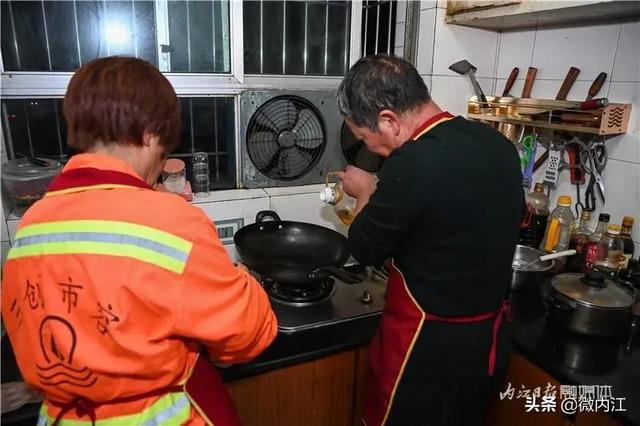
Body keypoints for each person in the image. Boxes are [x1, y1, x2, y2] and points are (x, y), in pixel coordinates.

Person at [1, 57, 277, 426]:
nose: (159, 167)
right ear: (149, 133)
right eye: (163, 153)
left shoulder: (32, 225)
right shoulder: (171, 219)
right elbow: (246, 337)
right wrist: (247, 282)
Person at [335, 55, 524, 426]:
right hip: (488, 347)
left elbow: (364, 246)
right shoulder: (496, 144)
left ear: (388, 120)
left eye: (364, 137)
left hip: (426, 356)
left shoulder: (413, 163)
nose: (368, 147)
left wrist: (366, 192)